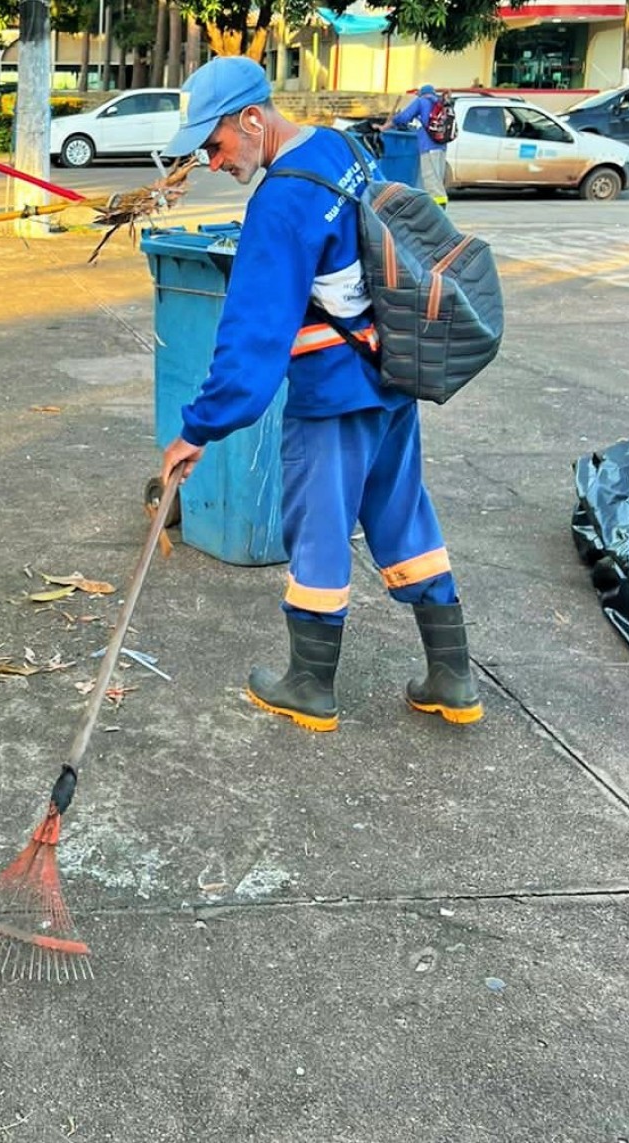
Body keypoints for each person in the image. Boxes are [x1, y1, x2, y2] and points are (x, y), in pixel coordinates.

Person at [159, 56, 483, 734]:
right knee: (404, 514)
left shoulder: (277, 204)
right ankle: (453, 676)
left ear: (252, 119)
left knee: (319, 532)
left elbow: (250, 346)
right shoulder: (337, 145)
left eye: (214, 145)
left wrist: (196, 431)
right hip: (393, 373)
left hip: (334, 394)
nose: (212, 163)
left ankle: (309, 683)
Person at [389, 83, 449, 208]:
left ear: (422, 93)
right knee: (438, 179)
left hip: (428, 147)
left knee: (430, 179)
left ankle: (437, 209)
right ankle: (441, 206)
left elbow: (404, 117)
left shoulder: (421, 102)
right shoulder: (441, 104)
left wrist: (393, 120)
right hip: (442, 146)